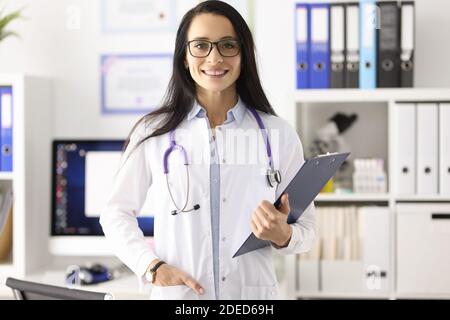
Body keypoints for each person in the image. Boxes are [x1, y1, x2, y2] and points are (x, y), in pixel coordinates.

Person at [100, 0, 315, 300]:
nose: (214, 58)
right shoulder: (152, 133)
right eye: (201, 46)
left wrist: (284, 235)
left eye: (227, 45)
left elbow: (307, 229)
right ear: (185, 57)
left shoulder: (278, 134)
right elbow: (115, 214)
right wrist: (149, 265)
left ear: (243, 55)